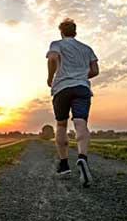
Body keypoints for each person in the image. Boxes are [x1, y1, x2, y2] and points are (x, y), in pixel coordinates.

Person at [46, 18, 99, 187]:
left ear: (61, 32)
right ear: (75, 32)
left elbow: (52, 59)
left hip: (62, 88)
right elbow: (95, 70)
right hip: (82, 88)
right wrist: (81, 77)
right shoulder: (87, 48)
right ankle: (82, 158)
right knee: (80, 123)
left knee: (61, 125)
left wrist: (50, 78)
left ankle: (64, 165)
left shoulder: (57, 44)